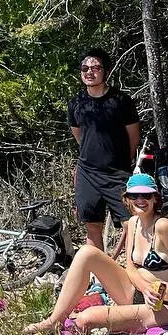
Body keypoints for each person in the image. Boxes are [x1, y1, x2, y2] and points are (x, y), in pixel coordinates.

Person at [24, 173, 168, 335]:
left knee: (86, 319)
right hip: (134, 292)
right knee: (87, 252)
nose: (140, 200)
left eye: (146, 195)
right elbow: (130, 267)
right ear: (127, 199)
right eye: (134, 196)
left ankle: (84, 319)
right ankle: (54, 320)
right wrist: (143, 287)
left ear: (155, 199)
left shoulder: (164, 227)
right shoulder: (133, 223)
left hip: (164, 307)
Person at [68, 49, 141, 249]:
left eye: (95, 68)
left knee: (131, 223)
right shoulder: (76, 103)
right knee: (92, 224)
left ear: (105, 72)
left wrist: (121, 163)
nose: (89, 72)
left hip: (117, 172)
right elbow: (79, 136)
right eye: (85, 68)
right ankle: (99, 276)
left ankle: (135, 272)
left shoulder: (121, 101)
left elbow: (133, 137)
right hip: (87, 172)